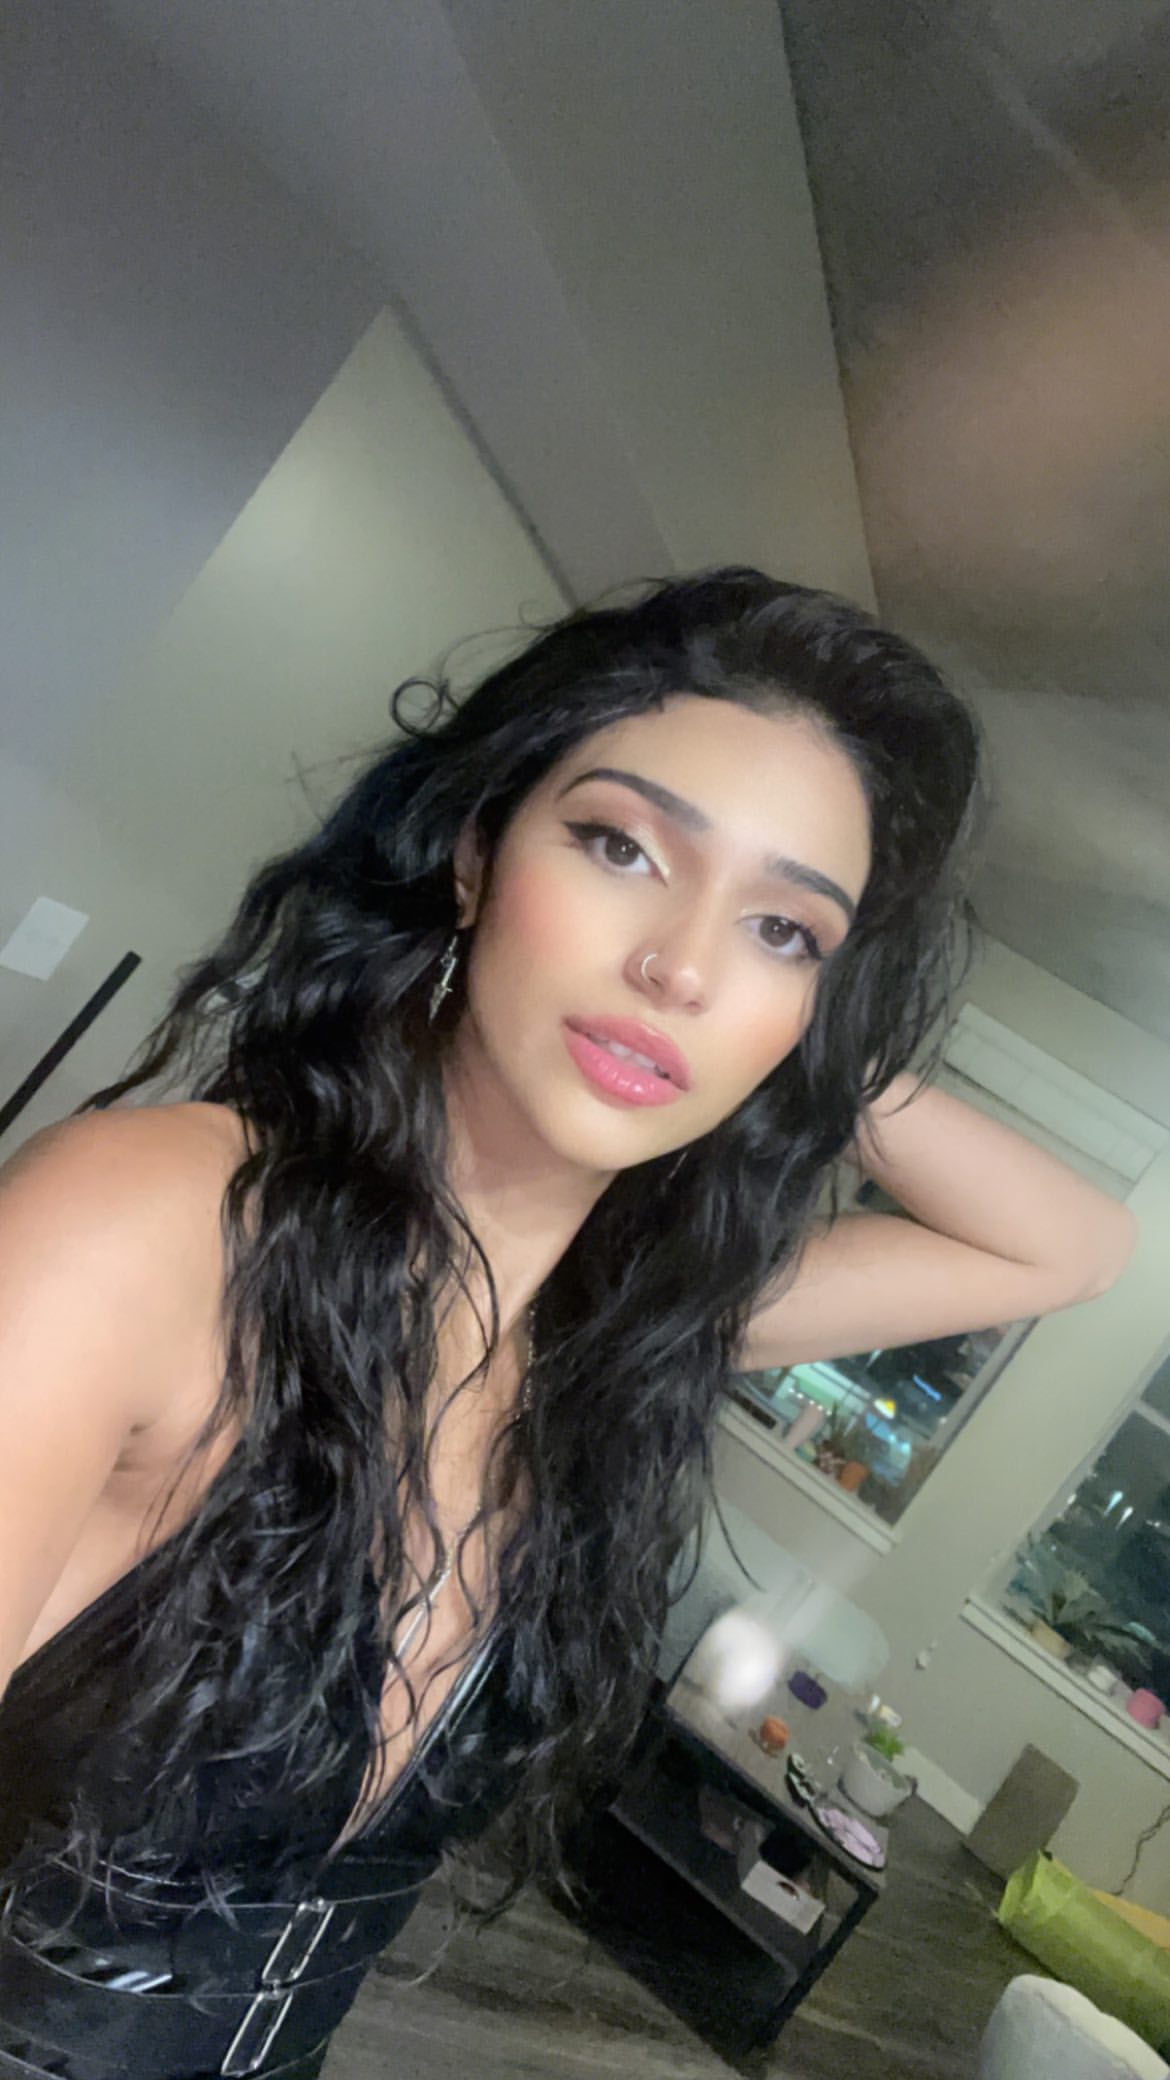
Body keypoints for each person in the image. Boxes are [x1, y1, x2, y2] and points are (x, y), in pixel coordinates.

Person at [0, 569, 1133, 2076]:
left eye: (783, 929)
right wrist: (770, 982)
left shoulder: (601, 1331)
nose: (680, 965)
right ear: (476, 854)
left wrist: (808, 1029)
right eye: (620, 846)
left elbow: (1073, 1247)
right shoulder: (157, 1232)